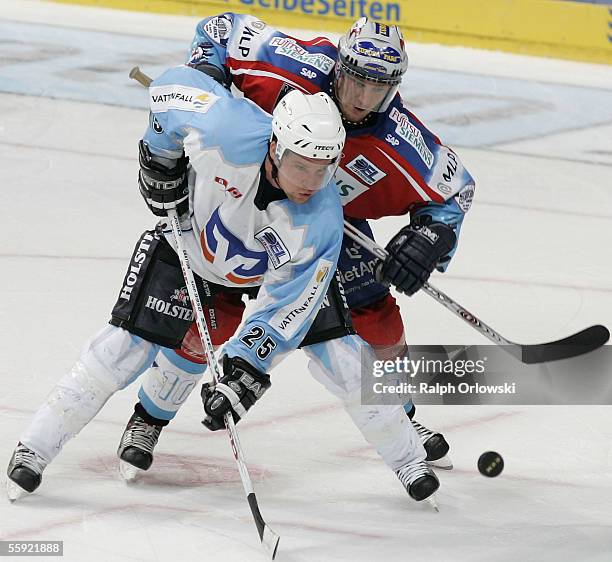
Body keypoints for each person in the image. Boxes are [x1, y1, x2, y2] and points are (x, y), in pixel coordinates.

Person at [117, 15, 475, 477]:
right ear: (340, 65)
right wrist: (208, 73)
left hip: (320, 227)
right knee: (211, 317)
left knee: (377, 319)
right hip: (243, 201)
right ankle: (148, 418)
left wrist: (430, 238)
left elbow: (456, 192)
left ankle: (403, 418)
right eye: (357, 79)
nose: (364, 98)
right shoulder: (292, 63)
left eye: (379, 86)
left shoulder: (401, 140)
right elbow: (221, 30)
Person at [5, 70, 351, 498]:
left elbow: (291, 302)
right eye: (302, 164)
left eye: (323, 168)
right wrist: (161, 158)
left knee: (196, 346)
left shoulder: (320, 213)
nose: (312, 180)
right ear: (276, 147)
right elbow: (169, 89)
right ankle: (34, 447)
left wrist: (246, 368)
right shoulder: (228, 127)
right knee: (123, 347)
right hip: (181, 245)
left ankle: (147, 422)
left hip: (234, 276)